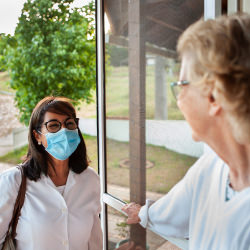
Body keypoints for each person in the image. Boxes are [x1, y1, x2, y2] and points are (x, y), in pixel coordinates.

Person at [122, 13, 250, 250]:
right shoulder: (213, 165)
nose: (178, 100)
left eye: (181, 85)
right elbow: (174, 209)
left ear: (213, 95)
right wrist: (143, 213)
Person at [0, 96, 102, 250]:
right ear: (37, 136)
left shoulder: (90, 179)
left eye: (69, 124)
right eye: (53, 125)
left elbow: (94, 242)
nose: (64, 131)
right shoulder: (13, 181)